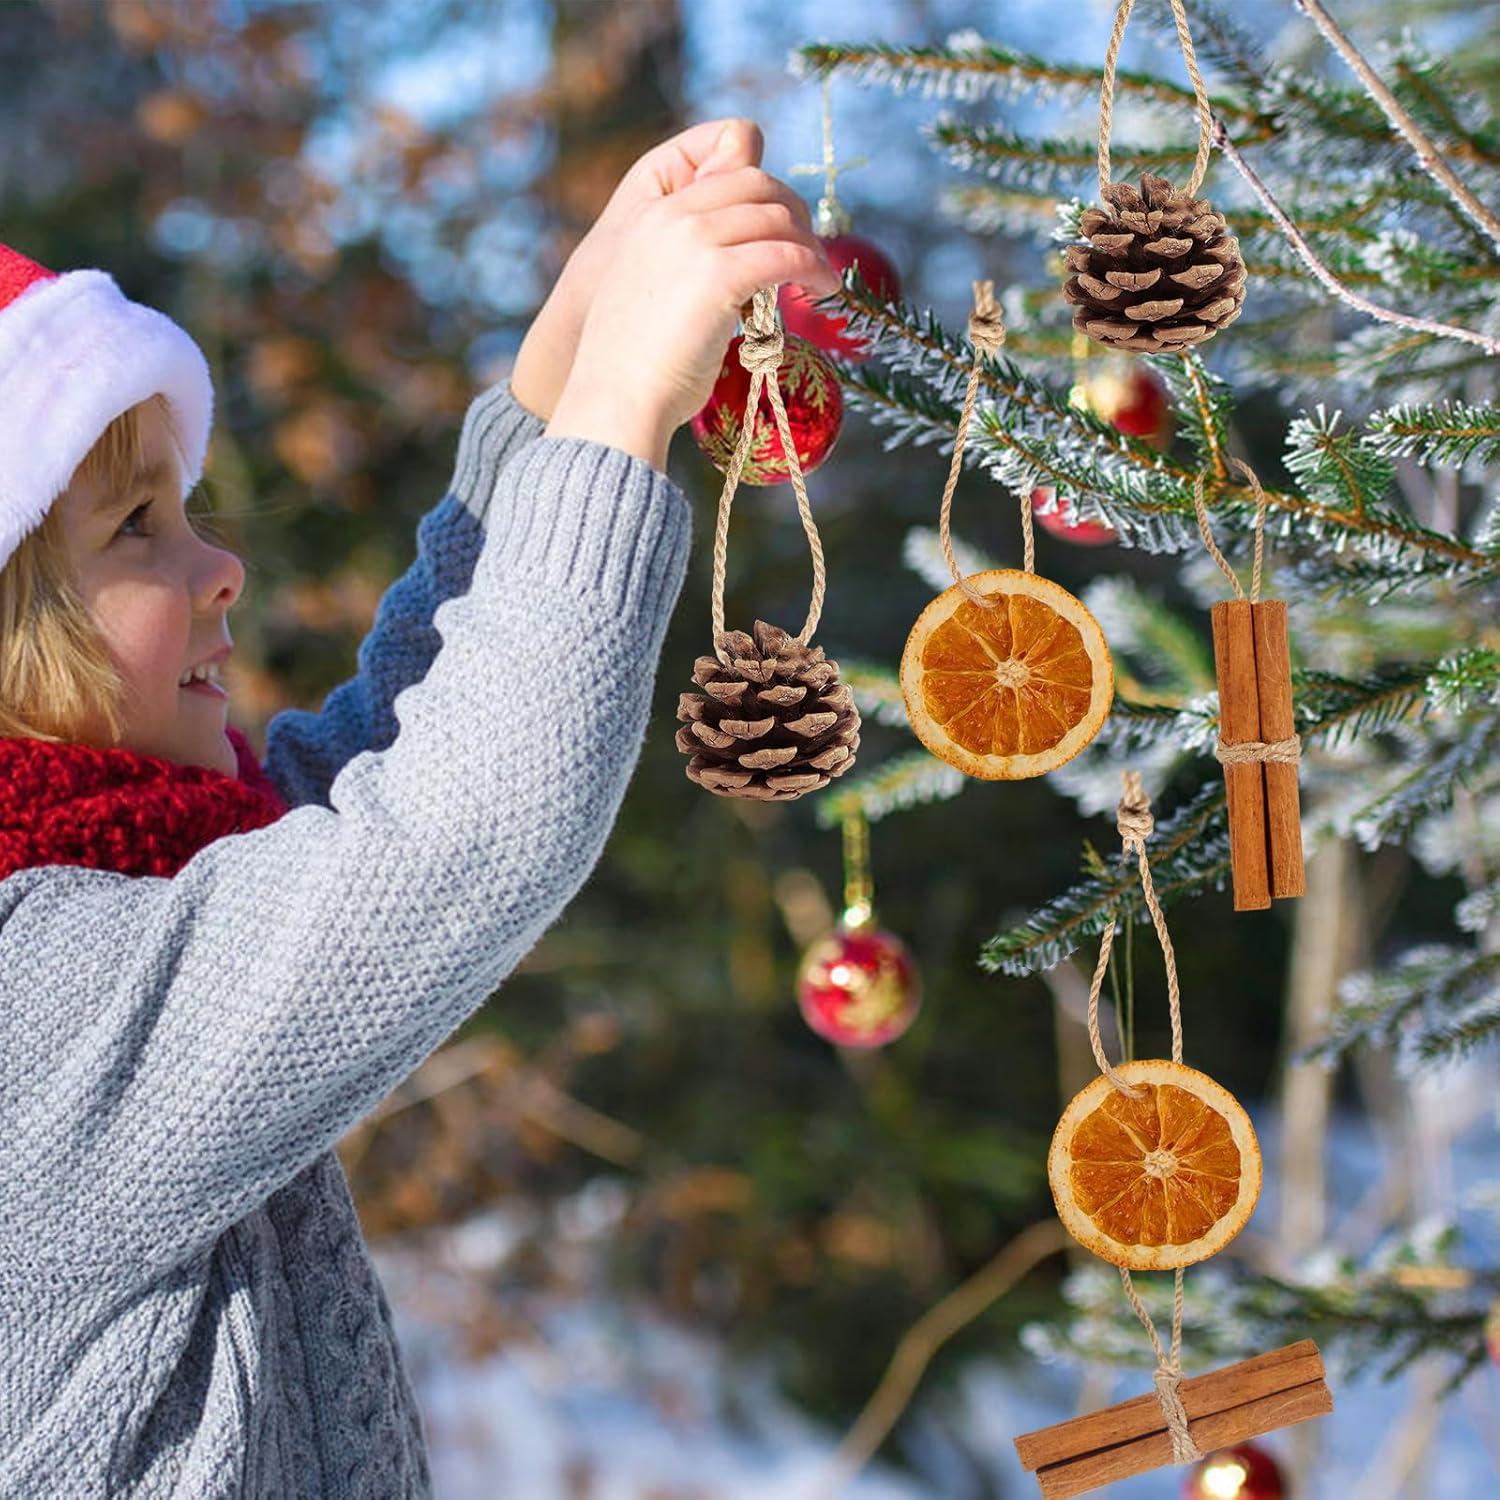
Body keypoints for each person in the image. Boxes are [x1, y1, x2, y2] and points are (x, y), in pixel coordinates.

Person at [0, 116, 838, 1497]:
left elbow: (370, 776)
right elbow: (444, 840)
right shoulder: (34, 1014)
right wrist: (622, 411)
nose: (221, 565)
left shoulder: (120, 896)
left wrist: (556, 389)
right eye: (134, 528)